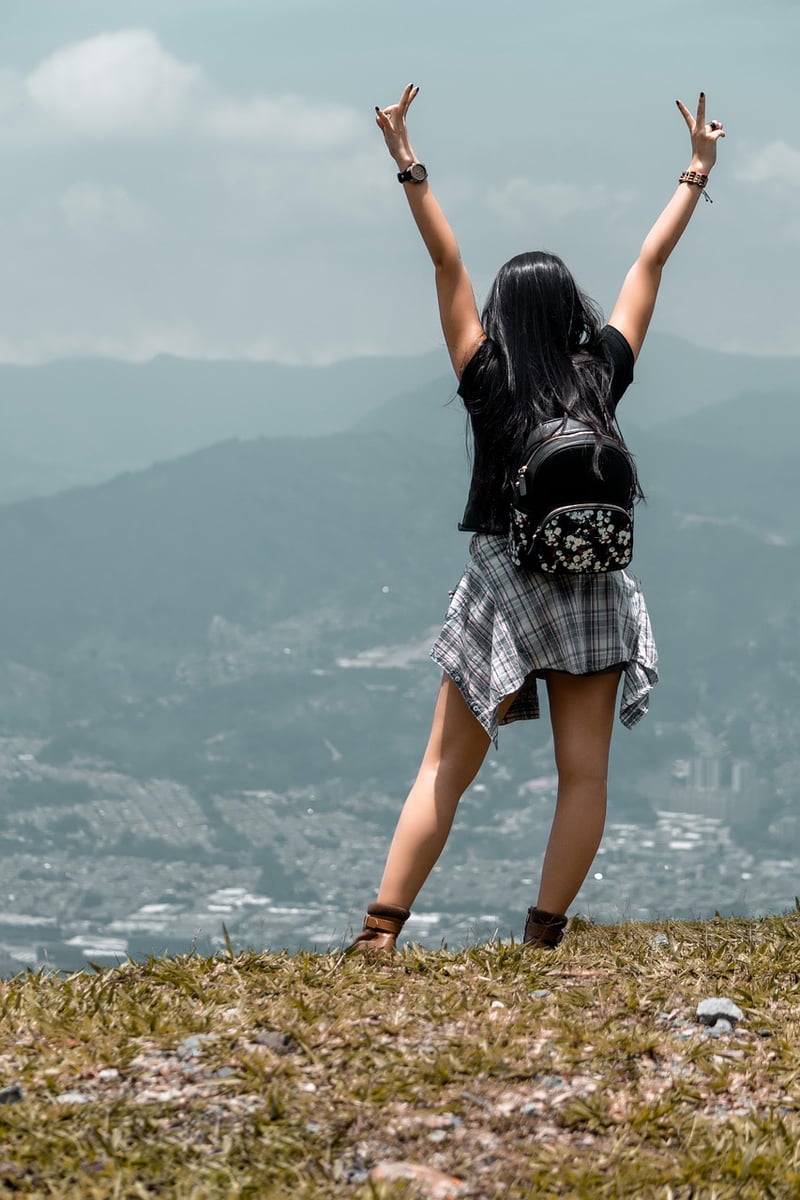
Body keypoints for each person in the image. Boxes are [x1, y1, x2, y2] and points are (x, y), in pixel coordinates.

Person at [347, 86, 725, 953]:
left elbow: (448, 267)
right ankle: (543, 936)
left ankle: (380, 932)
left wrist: (407, 160)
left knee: (445, 768)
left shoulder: (488, 377)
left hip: (508, 584)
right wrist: (696, 172)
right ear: (571, 314)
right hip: (595, 582)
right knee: (583, 774)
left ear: (506, 319)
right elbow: (648, 264)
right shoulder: (602, 376)